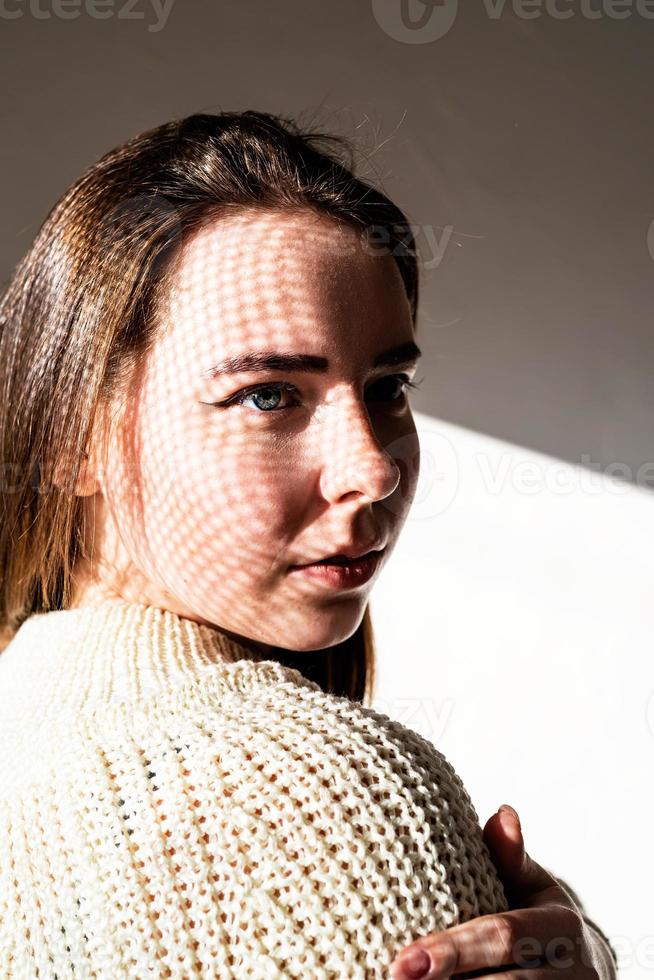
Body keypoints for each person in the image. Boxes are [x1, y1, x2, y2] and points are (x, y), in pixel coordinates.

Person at [0, 111, 616, 980]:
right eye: (267, 396)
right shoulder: (318, 790)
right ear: (71, 436)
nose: (374, 468)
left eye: (388, 386)